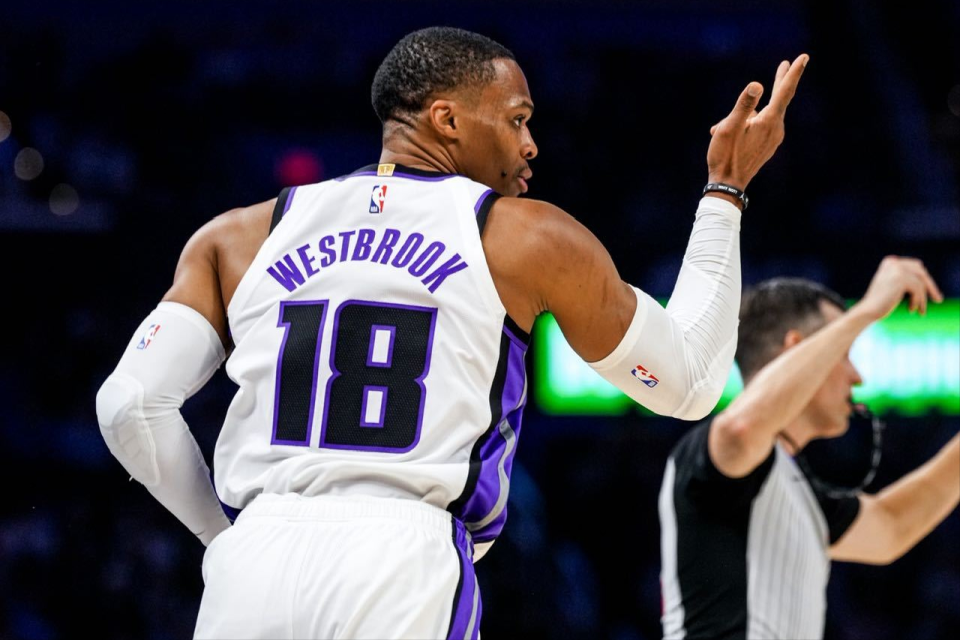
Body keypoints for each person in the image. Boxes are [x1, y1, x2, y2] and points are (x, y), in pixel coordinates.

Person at [96, 26, 808, 638]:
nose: (532, 145)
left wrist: (221, 536)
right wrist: (726, 190)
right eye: (518, 119)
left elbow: (129, 406)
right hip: (402, 559)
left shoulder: (238, 236)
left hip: (254, 559)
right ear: (447, 119)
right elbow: (689, 383)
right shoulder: (523, 236)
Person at [658, 258, 959, 640]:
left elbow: (892, 527)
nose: (857, 377)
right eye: (845, 353)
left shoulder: (797, 489)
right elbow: (740, 430)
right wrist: (867, 310)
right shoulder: (710, 452)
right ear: (798, 349)